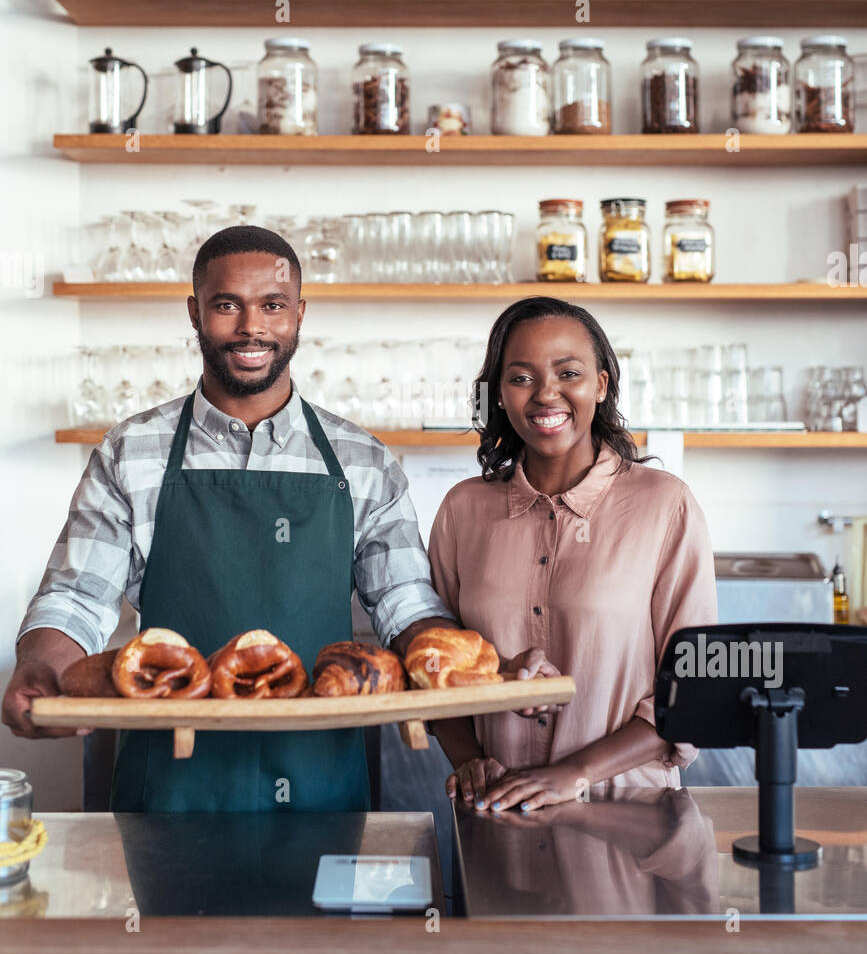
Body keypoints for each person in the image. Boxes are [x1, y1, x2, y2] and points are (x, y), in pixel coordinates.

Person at [3, 226, 454, 812]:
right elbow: (77, 597)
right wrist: (39, 668)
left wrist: (454, 664)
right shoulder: (130, 451)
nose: (252, 327)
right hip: (169, 782)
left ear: (299, 313)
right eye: (227, 305)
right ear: (194, 313)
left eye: (272, 305)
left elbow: (406, 602)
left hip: (317, 774)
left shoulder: (360, 459)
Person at [427, 296, 717, 812]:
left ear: (601, 384)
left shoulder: (664, 504)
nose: (545, 394)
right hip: (499, 810)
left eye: (568, 373)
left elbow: (692, 688)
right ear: (497, 394)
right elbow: (437, 664)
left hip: (632, 816)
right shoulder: (462, 510)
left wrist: (574, 773)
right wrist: (469, 759)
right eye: (520, 378)